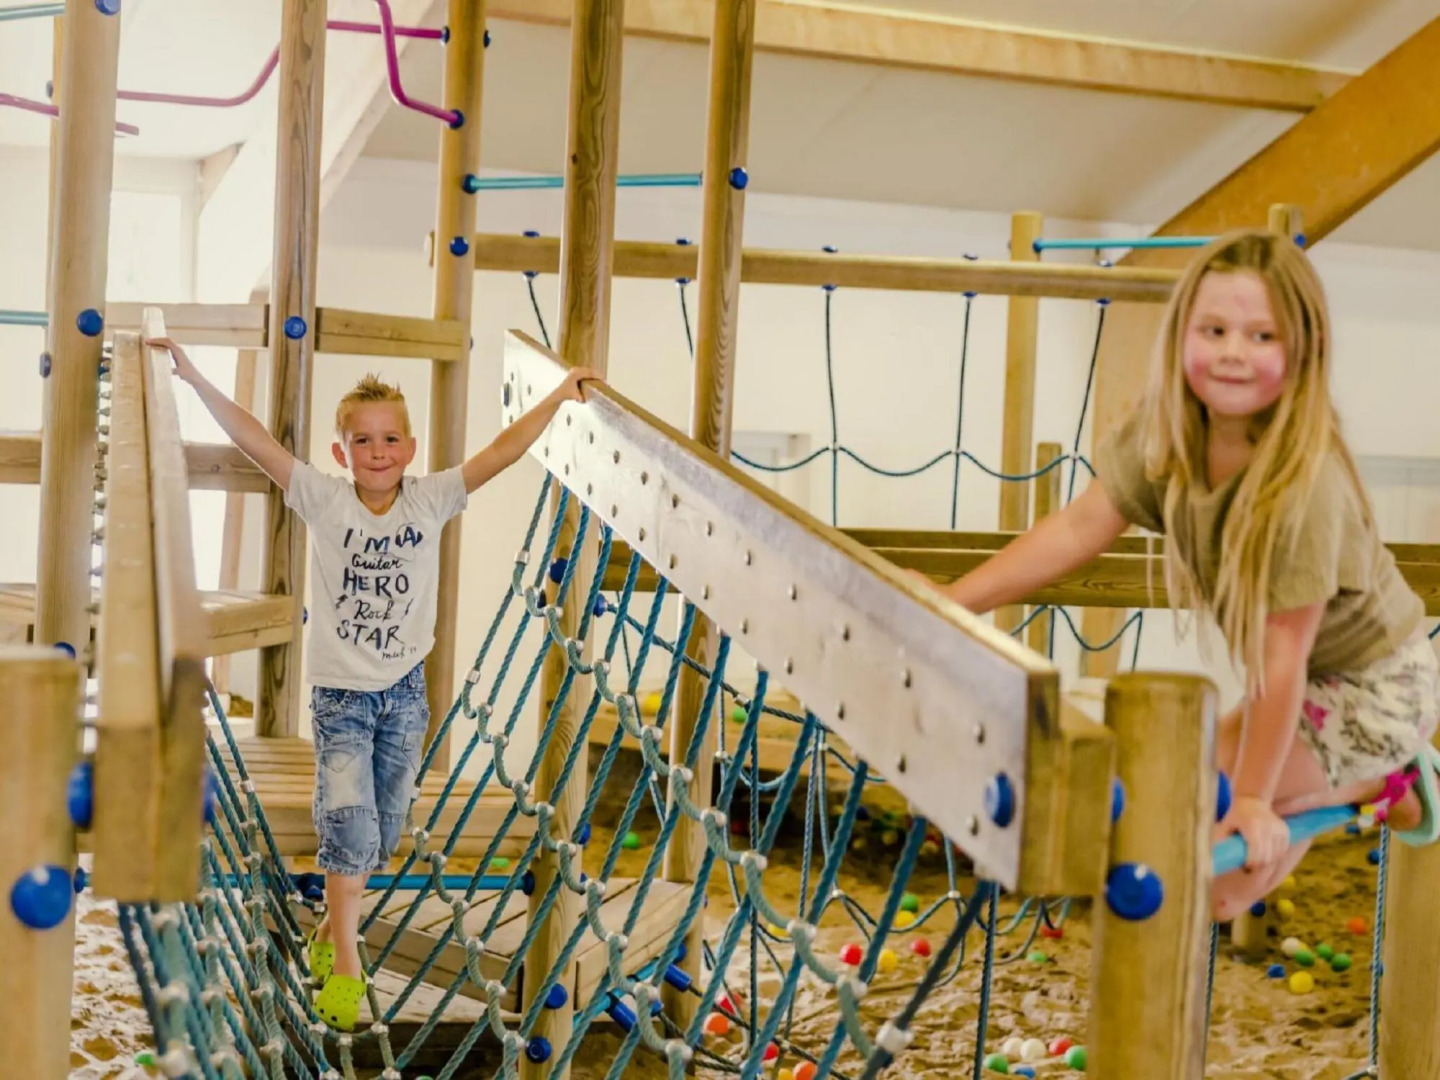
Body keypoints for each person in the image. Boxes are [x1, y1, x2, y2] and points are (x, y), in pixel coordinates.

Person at [916, 229, 1440, 919]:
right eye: (1214, 329)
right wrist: (956, 602)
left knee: (1210, 876)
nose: (1231, 352)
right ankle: (1361, 784)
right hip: (1303, 679)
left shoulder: (1302, 487)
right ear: (1182, 334)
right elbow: (1079, 529)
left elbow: (1281, 660)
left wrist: (1254, 800)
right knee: (1177, 826)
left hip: (1377, 686)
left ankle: (1381, 779)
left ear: (1303, 351)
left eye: (1262, 337)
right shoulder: (1167, 432)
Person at [149, 337, 599, 1029]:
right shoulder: (326, 501)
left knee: (383, 835)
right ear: (341, 454)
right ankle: (348, 961)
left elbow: (503, 451)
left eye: (390, 438)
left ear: (411, 447)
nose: (378, 451)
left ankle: (326, 933)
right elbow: (256, 443)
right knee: (349, 824)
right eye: (362, 441)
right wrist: (194, 375)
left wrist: (558, 394)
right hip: (342, 699)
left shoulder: (431, 499)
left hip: (406, 695)